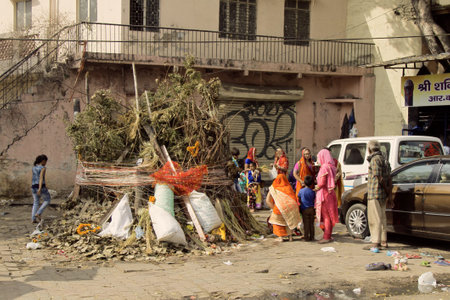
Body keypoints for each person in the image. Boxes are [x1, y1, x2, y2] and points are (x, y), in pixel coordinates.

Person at [365, 140, 393, 250]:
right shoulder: (384, 159)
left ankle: (375, 242)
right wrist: (388, 193)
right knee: (382, 217)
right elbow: (389, 178)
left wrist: (386, 190)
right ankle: (383, 241)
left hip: (375, 192)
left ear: (369, 149)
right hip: (382, 194)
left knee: (375, 218)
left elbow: (379, 177)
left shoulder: (375, 159)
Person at [266, 174, 302, 242]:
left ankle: (280, 237)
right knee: (289, 221)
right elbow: (293, 198)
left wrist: (274, 208)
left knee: (277, 222)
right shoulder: (289, 187)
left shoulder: (273, 188)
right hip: (291, 207)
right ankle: (290, 236)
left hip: (279, 208)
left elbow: (267, 201)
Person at [315, 149, 338, 244]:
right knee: (330, 215)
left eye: (318, 157)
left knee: (326, 216)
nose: (318, 159)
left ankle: (326, 236)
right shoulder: (332, 166)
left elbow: (322, 182)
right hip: (331, 193)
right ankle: (329, 234)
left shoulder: (324, 167)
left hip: (324, 194)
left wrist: (317, 186)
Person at [31, 154, 51, 223]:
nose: (45, 163)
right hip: (40, 186)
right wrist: (39, 188)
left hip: (33, 186)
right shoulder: (43, 168)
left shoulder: (34, 168)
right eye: (45, 161)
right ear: (43, 161)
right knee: (47, 200)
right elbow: (41, 178)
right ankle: (38, 213)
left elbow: (34, 178)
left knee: (35, 202)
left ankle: (33, 219)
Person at [298, 175, 316, 241]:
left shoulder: (301, 191)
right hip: (311, 209)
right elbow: (314, 199)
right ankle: (312, 236)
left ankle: (306, 237)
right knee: (311, 223)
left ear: (304, 182)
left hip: (304, 209)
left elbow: (299, 199)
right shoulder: (313, 192)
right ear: (311, 183)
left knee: (306, 224)